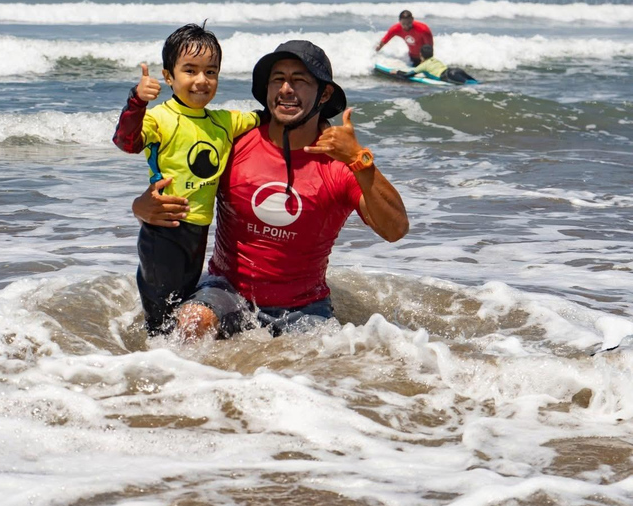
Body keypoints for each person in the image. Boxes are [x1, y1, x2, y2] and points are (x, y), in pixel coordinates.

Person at [131, 40, 409, 340]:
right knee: (191, 324)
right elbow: (180, 187)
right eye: (278, 79)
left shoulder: (341, 163)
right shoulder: (234, 144)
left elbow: (395, 229)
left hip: (304, 307)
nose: (286, 89)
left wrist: (360, 160)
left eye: (299, 80)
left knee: (331, 365)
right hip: (226, 291)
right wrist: (141, 207)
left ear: (324, 94)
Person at [112, 23, 260, 335]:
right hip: (164, 231)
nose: (201, 80)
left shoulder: (224, 122)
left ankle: (180, 370)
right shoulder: (159, 118)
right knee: (160, 317)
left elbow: (267, 117)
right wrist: (136, 101)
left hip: (199, 231)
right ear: (168, 76)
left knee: (178, 306)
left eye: (211, 72)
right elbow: (126, 142)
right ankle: (154, 369)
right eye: (190, 70)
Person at [393, 44, 477, 85]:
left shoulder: (423, 65)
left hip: (449, 75)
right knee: (476, 82)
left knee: (469, 85)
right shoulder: (435, 60)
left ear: (421, 55)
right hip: (455, 70)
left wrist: (397, 72)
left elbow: (408, 74)